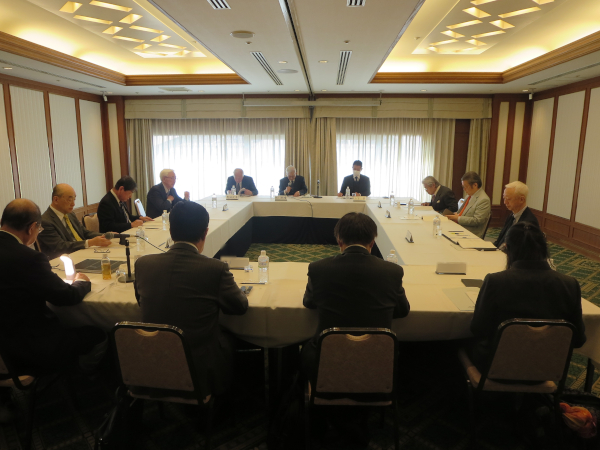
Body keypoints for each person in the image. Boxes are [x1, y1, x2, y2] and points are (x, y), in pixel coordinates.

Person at [134, 201, 248, 396]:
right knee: (235, 339)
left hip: (152, 361)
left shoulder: (143, 264)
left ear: (171, 232)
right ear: (205, 233)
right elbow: (240, 307)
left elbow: (140, 301)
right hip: (198, 368)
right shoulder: (215, 268)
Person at [0, 199, 107, 376]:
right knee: (97, 334)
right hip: (29, 345)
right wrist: (82, 282)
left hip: (4, 344)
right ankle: (81, 377)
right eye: (38, 229)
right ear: (32, 228)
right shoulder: (29, 258)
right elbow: (65, 297)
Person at [301, 212, 410, 384]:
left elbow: (308, 302)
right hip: (377, 361)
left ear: (339, 241)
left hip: (327, 360)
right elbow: (402, 311)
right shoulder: (392, 271)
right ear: (372, 243)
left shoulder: (318, 268)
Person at [469, 222, 586, 372]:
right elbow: (578, 339)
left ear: (507, 249)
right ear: (544, 249)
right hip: (547, 368)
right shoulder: (569, 284)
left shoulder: (496, 281)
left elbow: (478, 329)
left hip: (497, 367)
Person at [38, 184, 111, 260]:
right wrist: (90, 243)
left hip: (83, 253)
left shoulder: (70, 214)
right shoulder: (45, 221)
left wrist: (105, 235)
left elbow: (84, 232)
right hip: (65, 260)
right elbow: (60, 247)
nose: (73, 204)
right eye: (69, 200)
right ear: (56, 199)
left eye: (74, 199)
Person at [494, 181, 539, 250]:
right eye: (504, 198)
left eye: (508, 199)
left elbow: (523, 250)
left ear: (521, 199)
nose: (505, 202)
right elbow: (500, 240)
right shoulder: (511, 216)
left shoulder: (529, 222)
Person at [446, 171, 491, 238]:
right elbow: (463, 212)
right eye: (463, 187)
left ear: (475, 185)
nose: (464, 189)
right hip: (461, 228)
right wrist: (456, 215)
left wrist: (458, 218)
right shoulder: (469, 195)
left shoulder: (483, 200)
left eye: (466, 187)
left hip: (471, 233)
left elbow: (477, 220)